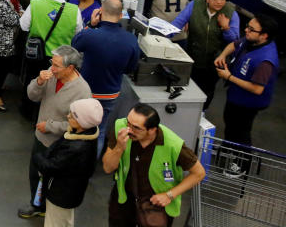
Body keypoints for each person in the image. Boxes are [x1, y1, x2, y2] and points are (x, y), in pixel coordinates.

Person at [102, 103, 207, 227]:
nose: (129, 129)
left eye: (136, 127)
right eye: (128, 123)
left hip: (155, 206)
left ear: (152, 130)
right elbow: (108, 168)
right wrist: (119, 147)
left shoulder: (173, 145)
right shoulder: (120, 128)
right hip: (125, 200)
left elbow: (199, 173)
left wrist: (169, 195)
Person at [19, 46, 92, 220]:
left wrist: (51, 126)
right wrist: (38, 82)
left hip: (61, 145)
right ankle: (37, 204)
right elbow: (32, 96)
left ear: (71, 68)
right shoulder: (50, 77)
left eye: (57, 65)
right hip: (41, 138)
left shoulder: (82, 91)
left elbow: (80, 124)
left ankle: (50, 208)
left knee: (53, 181)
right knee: (35, 174)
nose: (52, 68)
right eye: (52, 63)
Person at [213, 14, 279, 177]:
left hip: (248, 104)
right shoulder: (251, 41)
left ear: (264, 35)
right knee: (230, 125)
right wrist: (222, 56)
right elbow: (234, 45)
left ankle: (240, 165)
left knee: (241, 133)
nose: (246, 30)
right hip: (235, 97)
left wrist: (229, 77)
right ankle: (228, 151)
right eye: (247, 26)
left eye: (251, 29)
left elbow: (257, 89)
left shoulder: (265, 61)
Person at [72, 0, 140, 155]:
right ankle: (88, 167)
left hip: (85, 92)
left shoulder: (90, 35)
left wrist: (91, 24)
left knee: (78, 126)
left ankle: (74, 162)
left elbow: (74, 44)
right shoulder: (131, 40)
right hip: (110, 94)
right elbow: (130, 68)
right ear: (121, 14)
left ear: (101, 12)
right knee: (100, 130)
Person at [31, 98, 104, 227]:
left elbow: (51, 167)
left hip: (60, 195)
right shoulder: (87, 135)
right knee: (65, 221)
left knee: (54, 222)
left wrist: (37, 157)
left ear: (82, 122)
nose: (68, 116)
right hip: (71, 194)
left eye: (72, 115)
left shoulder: (75, 148)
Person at [168, 0, 240, 109]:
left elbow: (235, 41)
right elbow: (177, 24)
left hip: (215, 61)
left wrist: (226, 27)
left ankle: (202, 111)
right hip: (193, 55)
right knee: (188, 85)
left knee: (208, 89)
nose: (219, 2)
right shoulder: (195, 5)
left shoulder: (231, 13)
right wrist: (162, 36)